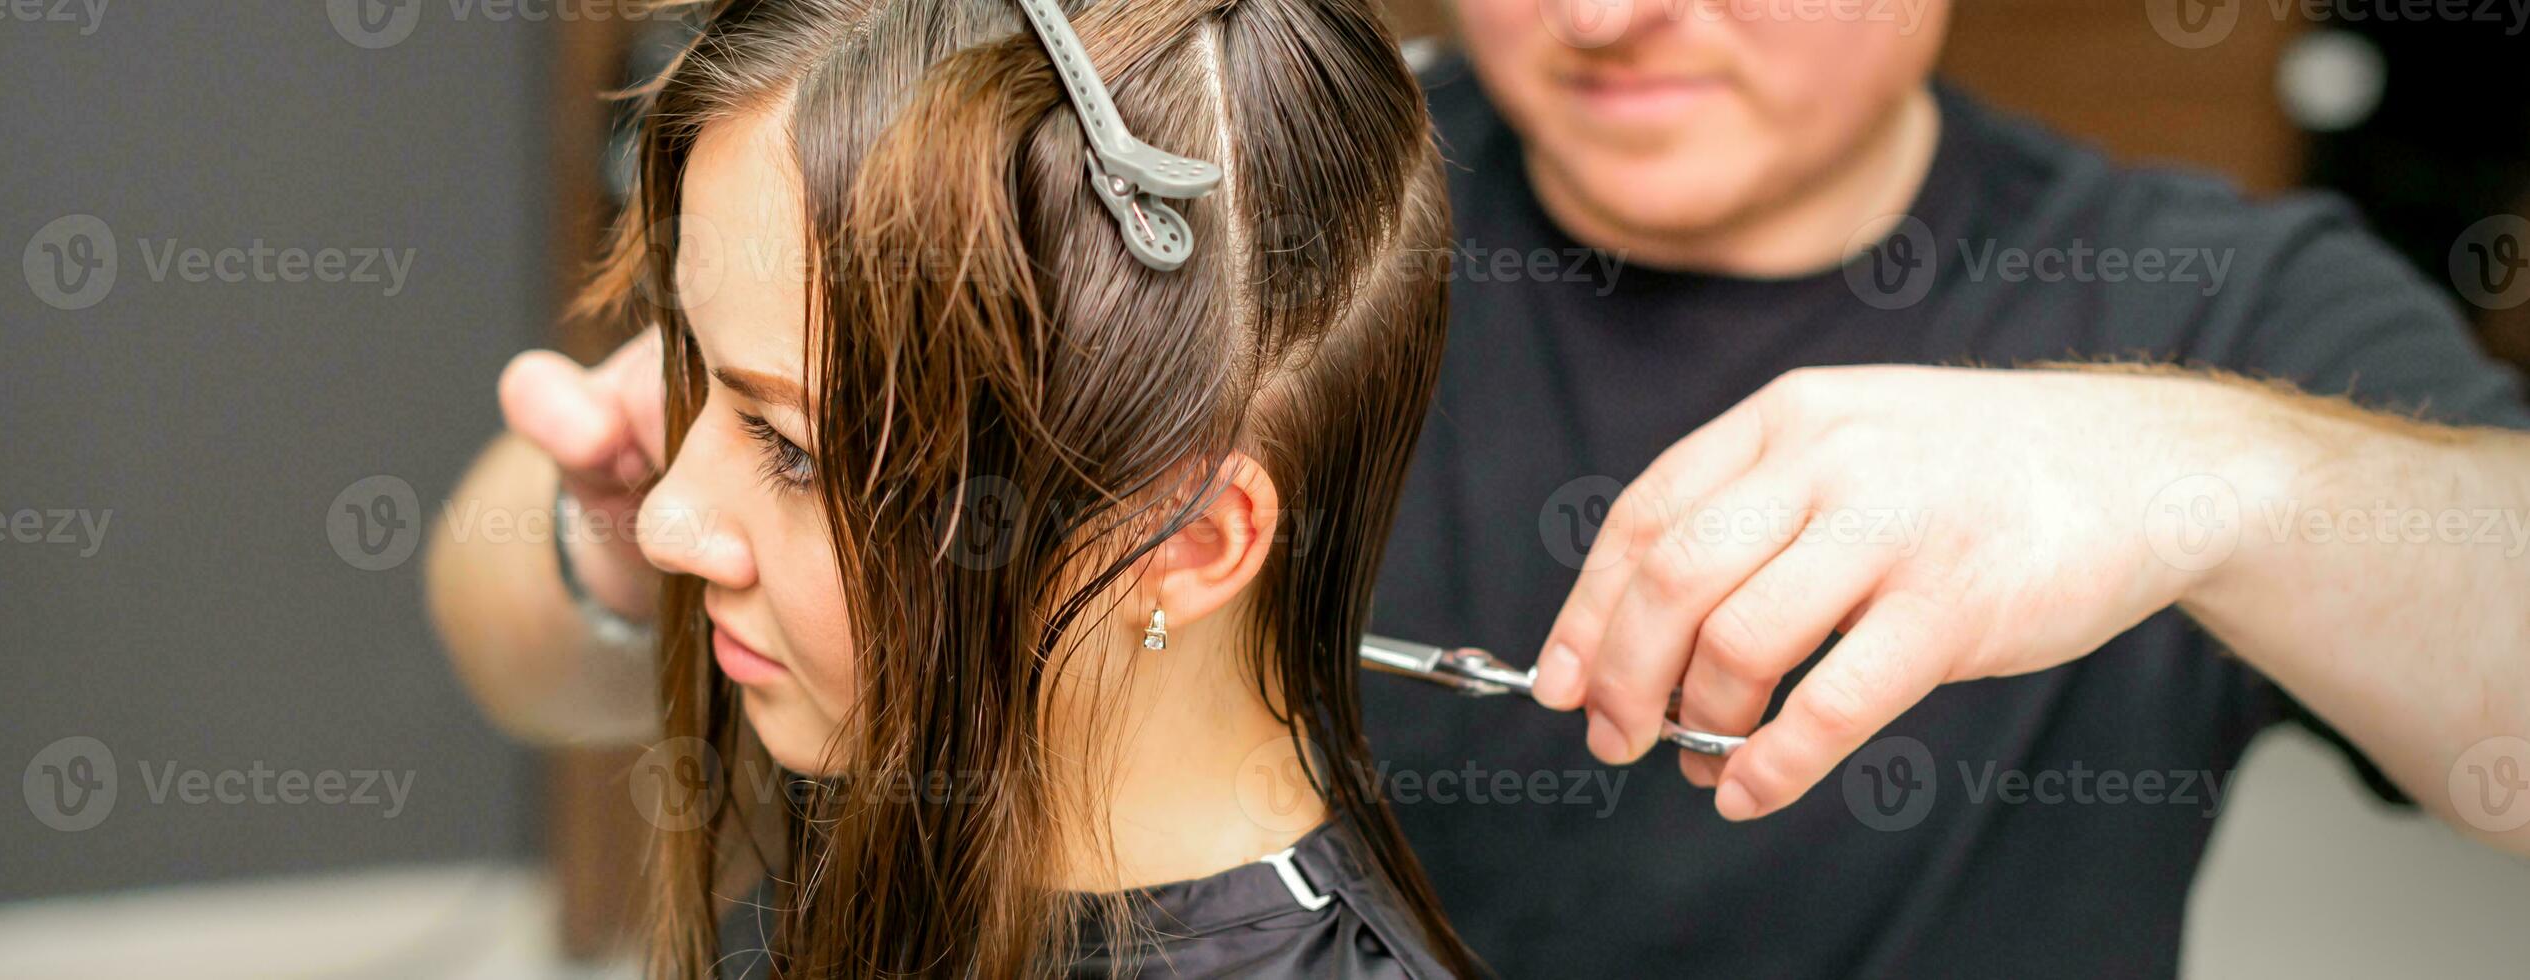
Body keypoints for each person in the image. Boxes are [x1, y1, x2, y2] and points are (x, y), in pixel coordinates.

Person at [431, 1, 2530, 976]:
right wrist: (674, 509)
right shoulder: (1223, 220)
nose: (1609, 15)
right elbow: (525, 639)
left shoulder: (2208, 297)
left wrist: (2224, 475)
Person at [450, 0, 1482, 975]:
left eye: (793, 448)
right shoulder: (886, 810)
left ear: (1186, 537)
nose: (667, 523)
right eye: (697, 378)